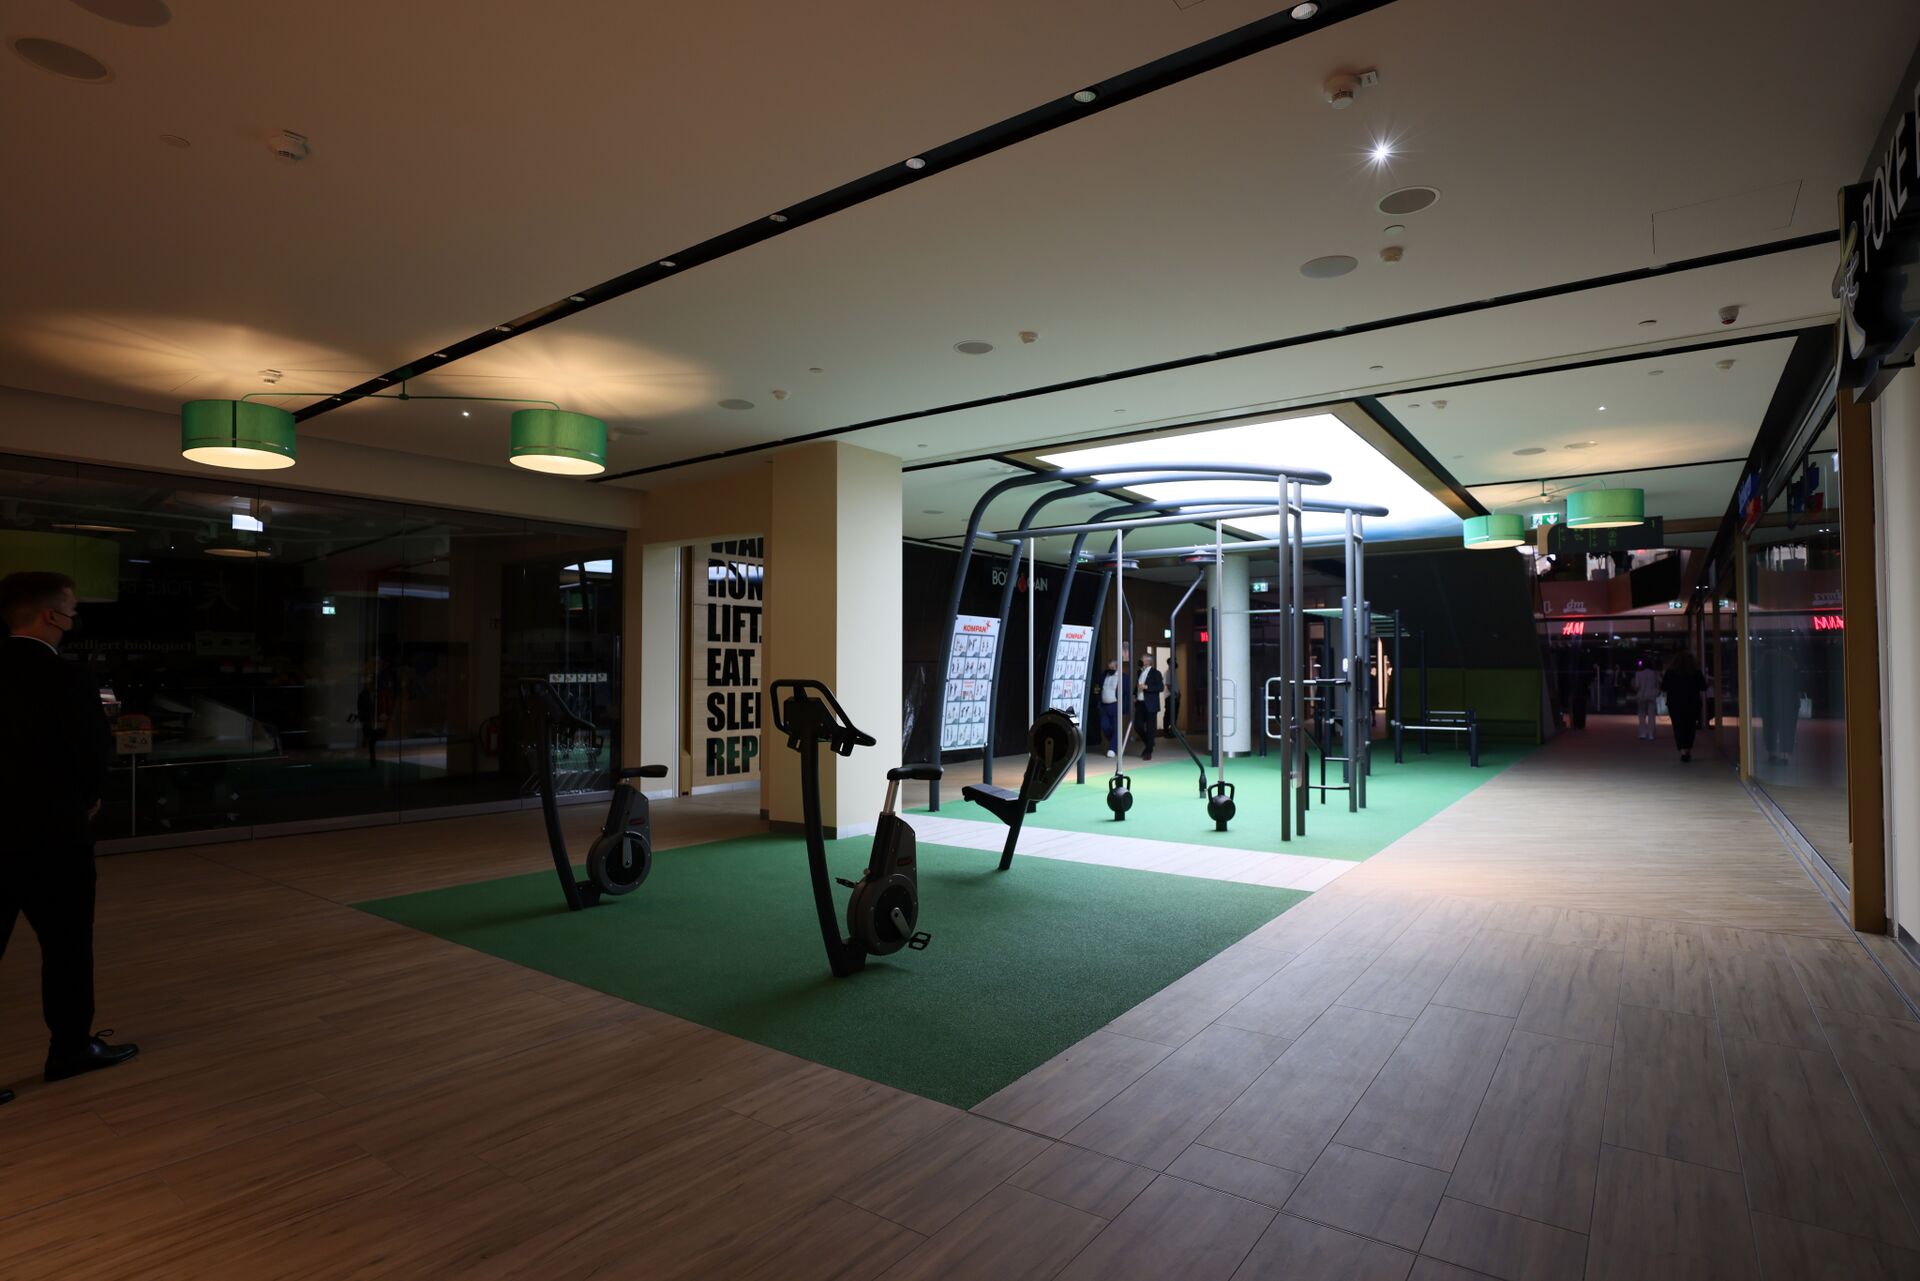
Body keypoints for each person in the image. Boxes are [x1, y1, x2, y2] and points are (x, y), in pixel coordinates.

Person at [0, 572, 138, 1106]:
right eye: (71, 611)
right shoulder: (68, 676)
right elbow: (91, 749)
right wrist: (88, 799)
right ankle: (70, 1049)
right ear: (51, 616)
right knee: (66, 947)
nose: (72, 619)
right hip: (53, 833)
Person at [1662, 650, 1709, 763]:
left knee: (1678, 727)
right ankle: (1688, 748)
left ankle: (1683, 750)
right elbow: (1703, 687)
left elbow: (1664, 687)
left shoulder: (1670, 672)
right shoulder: (1696, 672)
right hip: (1692, 703)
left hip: (1675, 703)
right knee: (1690, 727)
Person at [1133, 656, 1163, 761]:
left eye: (1142, 659)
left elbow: (1160, 687)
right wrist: (1134, 695)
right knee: (1137, 726)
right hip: (1140, 703)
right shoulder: (1139, 672)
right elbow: (1137, 686)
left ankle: (1148, 751)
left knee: (1150, 729)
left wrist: (1147, 687)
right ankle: (1149, 743)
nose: (1140, 660)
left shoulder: (1156, 673)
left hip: (1151, 704)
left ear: (1148, 662)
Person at [1631, 660, 1661, 741]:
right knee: (1651, 716)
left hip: (1641, 696)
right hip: (1652, 695)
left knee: (1641, 715)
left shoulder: (1638, 673)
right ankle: (1651, 734)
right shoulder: (1655, 673)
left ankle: (1642, 733)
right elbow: (1659, 682)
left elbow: (1637, 686)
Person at [1099, 659, 1121, 757]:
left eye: (1112, 667)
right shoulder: (1105, 675)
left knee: (1116, 727)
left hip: (1115, 704)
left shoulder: (1120, 677)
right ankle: (1115, 741)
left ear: (1116, 667)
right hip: (1104, 705)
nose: (1110, 669)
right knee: (1105, 726)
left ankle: (1112, 748)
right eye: (1109, 667)